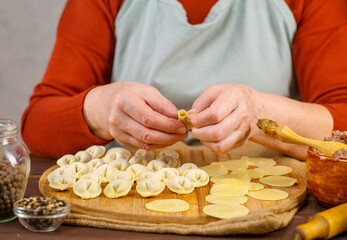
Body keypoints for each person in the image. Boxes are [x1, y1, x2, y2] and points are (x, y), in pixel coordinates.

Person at [21, 0, 347, 160]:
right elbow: (38, 125)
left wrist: (260, 110)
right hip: (129, 205)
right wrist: (99, 108)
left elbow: (342, 121)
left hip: (263, 199)